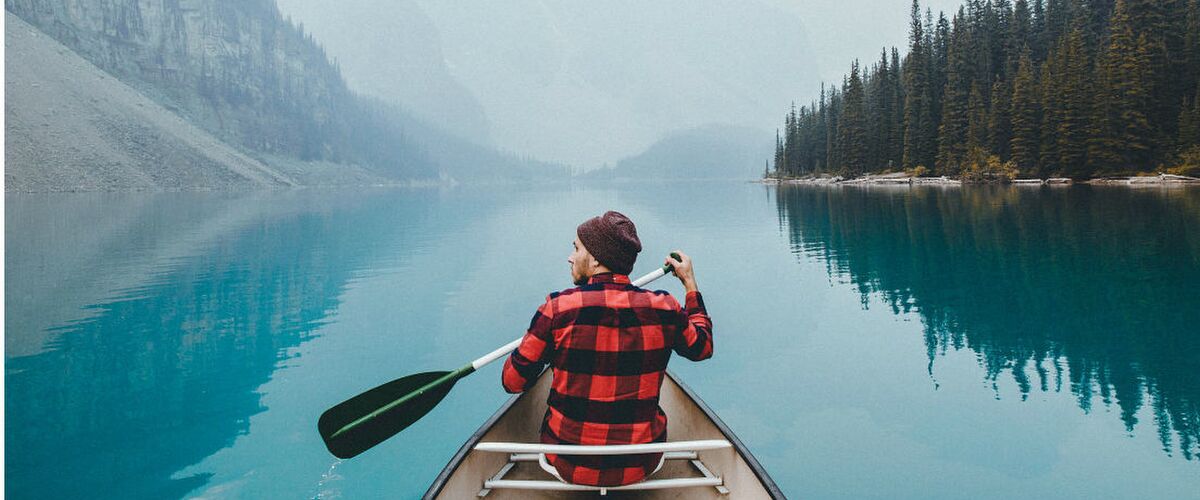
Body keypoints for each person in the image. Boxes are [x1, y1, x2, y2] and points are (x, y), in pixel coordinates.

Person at [501, 210, 714, 487]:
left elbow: (512, 382)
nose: (570, 256)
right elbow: (703, 347)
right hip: (641, 463)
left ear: (596, 258)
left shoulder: (557, 309)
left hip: (567, 462)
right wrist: (689, 283)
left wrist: (538, 340)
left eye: (576, 248)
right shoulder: (665, 308)